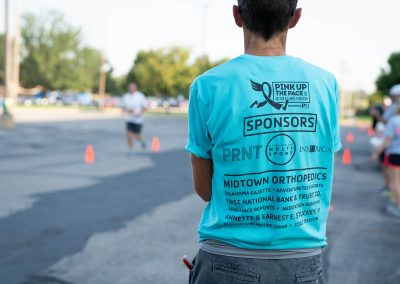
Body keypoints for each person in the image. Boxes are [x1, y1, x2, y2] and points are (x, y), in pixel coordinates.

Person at [185, 0, 341, 283]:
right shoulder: (325, 84)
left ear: (237, 15)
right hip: (301, 260)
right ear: (295, 18)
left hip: (226, 257)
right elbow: (323, 170)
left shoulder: (208, 85)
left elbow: (205, 190)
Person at [373, 100, 400, 218]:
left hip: (394, 153)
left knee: (394, 182)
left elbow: (387, 139)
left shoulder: (394, 121)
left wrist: (377, 152)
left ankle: (398, 206)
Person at [122, 83, 147, 153]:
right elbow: (123, 107)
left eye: (132, 88)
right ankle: (131, 150)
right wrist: (127, 111)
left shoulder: (140, 96)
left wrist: (139, 113)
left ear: (135, 88)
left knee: (137, 135)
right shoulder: (125, 96)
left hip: (138, 120)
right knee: (129, 135)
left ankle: (142, 141)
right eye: (130, 88)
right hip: (129, 119)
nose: (131, 89)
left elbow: (144, 107)